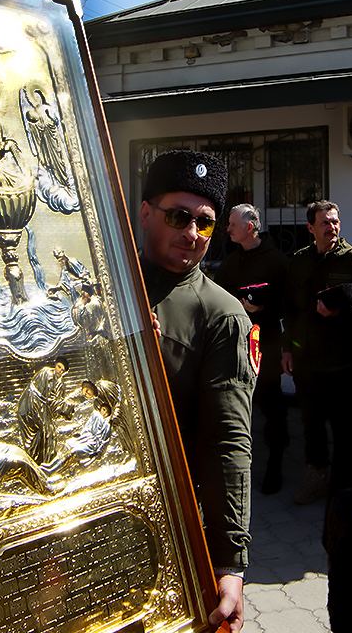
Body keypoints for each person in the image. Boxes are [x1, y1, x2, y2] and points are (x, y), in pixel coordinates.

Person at [138, 149, 255, 632]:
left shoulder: (221, 315)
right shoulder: (99, 286)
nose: (192, 233)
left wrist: (230, 564)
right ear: (146, 212)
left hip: (166, 524)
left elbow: (228, 440)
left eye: (205, 223)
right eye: (179, 216)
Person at [284, 200, 352, 505]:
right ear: (311, 228)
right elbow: (291, 310)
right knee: (311, 422)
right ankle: (316, 476)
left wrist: (341, 306)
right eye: (325, 223)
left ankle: (348, 483)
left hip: (342, 357)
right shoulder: (299, 261)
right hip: (307, 358)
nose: (332, 228)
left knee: (346, 423)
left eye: (335, 222)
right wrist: (287, 348)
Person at [214, 202, 290, 495]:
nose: (227, 229)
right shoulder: (232, 262)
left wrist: (262, 307)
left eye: (232, 224)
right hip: (236, 346)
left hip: (267, 343)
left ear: (249, 227)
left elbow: (288, 304)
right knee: (237, 406)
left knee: (272, 405)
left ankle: (276, 463)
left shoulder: (278, 262)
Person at [16, 360, 73, 464]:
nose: (60, 370)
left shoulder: (59, 383)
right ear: (55, 365)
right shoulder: (45, 372)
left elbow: (54, 401)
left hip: (41, 407)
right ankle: (35, 457)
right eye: (59, 367)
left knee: (47, 430)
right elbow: (49, 399)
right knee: (44, 429)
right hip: (31, 403)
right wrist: (65, 408)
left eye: (62, 370)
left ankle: (43, 459)